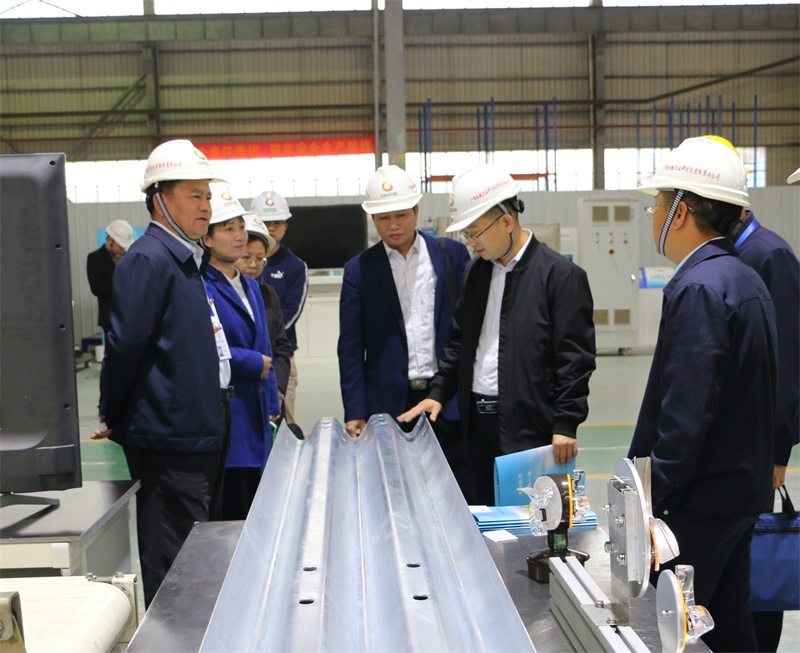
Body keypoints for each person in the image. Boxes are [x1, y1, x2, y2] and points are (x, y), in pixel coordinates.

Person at [627, 136, 778, 652]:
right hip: (737, 496)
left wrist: (652, 501)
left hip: (695, 506)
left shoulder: (699, 287)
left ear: (682, 211)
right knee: (729, 627)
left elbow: (686, 415)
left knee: (667, 631)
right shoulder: (744, 279)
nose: (653, 216)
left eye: (657, 204)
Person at [400, 165, 596, 506]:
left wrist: (566, 423)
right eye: (466, 234)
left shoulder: (560, 276)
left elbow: (574, 360)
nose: (471, 242)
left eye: (475, 233)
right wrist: (439, 393)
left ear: (506, 222)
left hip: (530, 425)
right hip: (476, 423)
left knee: (532, 518)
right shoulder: (475, 273)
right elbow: (460, 342)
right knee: (482, 513)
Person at [94, 139, 230, 607]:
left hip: (197, 433)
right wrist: (114, 412)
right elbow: (125, 349)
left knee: (198, 559)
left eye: (207, 196)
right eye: (194, 195)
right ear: (160, 199)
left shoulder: (184, 260)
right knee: (177, 567)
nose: (206, 206)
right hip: (170, 441)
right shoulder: (148, 261)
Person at [337, 165, 472, 498]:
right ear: (372, 219)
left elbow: (468, 327)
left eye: (401, 215)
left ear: (416, 211)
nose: (393, 225)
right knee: (395, 494)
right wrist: (356, 410)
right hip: (388, 404)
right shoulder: (359, 270)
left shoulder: (451, 256)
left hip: (446, 398)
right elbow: (351, 346)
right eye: (383, 217)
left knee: (454, 491)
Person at [738, 163, 799, 653]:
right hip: (738, 445)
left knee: (756, 557)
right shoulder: (736, 254)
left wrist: (779, 448)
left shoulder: (769, 254)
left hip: (758, 445)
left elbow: (787, 359)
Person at [203, 189, 281, 520]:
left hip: (257, 412)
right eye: (228, 229)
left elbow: (267, 347)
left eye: (240, 227)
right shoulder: (202, 285)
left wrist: (273, 403)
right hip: (228, 415)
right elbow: (203, 347)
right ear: (207, 238)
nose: (239, 236)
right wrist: (252, 363)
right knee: (231, 512)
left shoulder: (251, 287)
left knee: (257, 510)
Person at [252, 191, 308, 425]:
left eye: (276, 222)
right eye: (265, 222)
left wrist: (263, 337)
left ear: (285, 226)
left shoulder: (295, 265)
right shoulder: (239, 260)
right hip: (246, 355)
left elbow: (291, 311)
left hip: (280, 356)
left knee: (283, 422)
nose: (271, 228)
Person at [236, 215, 292, 401]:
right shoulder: (214, 291)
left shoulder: (267, 293)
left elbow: (281, 346)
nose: (253, 264)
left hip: (269, 390)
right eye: (246, 257)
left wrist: (277, 390)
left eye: (260, 259)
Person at [86, 219, 133, 335]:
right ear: (110, 240)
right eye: (121, 246)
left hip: (132, 317)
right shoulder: (95, 258)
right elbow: (96, 289)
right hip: (111, 320)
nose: (123, 249)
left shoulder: (129, 257)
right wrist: (119, 277)